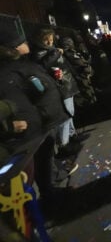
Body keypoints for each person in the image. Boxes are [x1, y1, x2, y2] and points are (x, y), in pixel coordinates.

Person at [0, 23, 76, 197]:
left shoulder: (22, 63)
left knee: (44, 162)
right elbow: (15, 99)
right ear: (14, 47)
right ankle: (38, 202)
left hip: (40, 124)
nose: (27, 43)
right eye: (22, 41)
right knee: (30, 173)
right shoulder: (9, 71)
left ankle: (48, 191)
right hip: (29, 131)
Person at [30, 28, 85, 158]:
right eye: (46, 39)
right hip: (59, 87)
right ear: (40, 40)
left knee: (70, 112)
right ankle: (64, 145)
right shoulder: (39, 52)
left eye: (51, 39)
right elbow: (44, 65)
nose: (50, 41)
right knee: (66, 115)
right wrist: (56, 53)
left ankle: (72, 136)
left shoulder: (51, 49)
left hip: (66, 83)